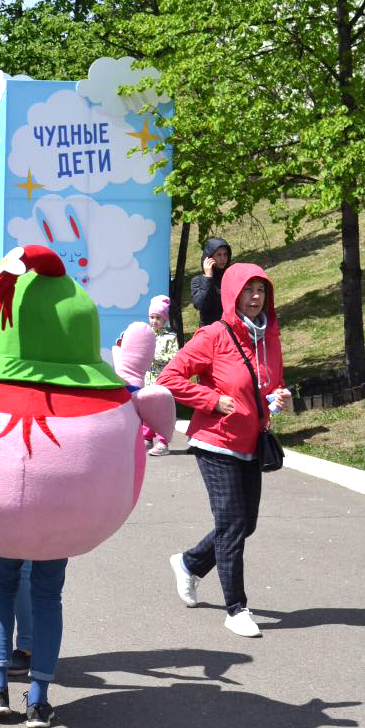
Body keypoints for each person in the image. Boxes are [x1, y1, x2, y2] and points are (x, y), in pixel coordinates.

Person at [159, 263, 289, 638]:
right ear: (232, 294)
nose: (255, 297)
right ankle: (236, 609)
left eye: (261, 290)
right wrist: (212, 399)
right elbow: (170, 377)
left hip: (251, 441)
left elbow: (272, 382)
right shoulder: (214, 335)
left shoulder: (269, 336)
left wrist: (278, 396)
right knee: (232, 524)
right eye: (248, 290)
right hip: (216, 441)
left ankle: (189, 563)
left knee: (245, 523)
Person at [144, 294, 179, 456]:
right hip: (148, 380)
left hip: (163, 381)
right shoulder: (147, 334)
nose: (154, 321)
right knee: (147, 410)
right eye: (152, 317)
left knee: (161, 412)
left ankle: (163, 442)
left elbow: (175, 357)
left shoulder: (171, 337)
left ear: (165, 318)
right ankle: (147, 438)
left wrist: (155, 357)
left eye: (158, 318)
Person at [191, 237, 232, 327]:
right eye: (218, 255)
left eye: (225, 254)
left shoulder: (230, 276)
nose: (223, 258)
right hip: (209, 329)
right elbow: (200, 305)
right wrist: (208, 278)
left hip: (229, 327)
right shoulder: (198, 280)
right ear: (209, 257)